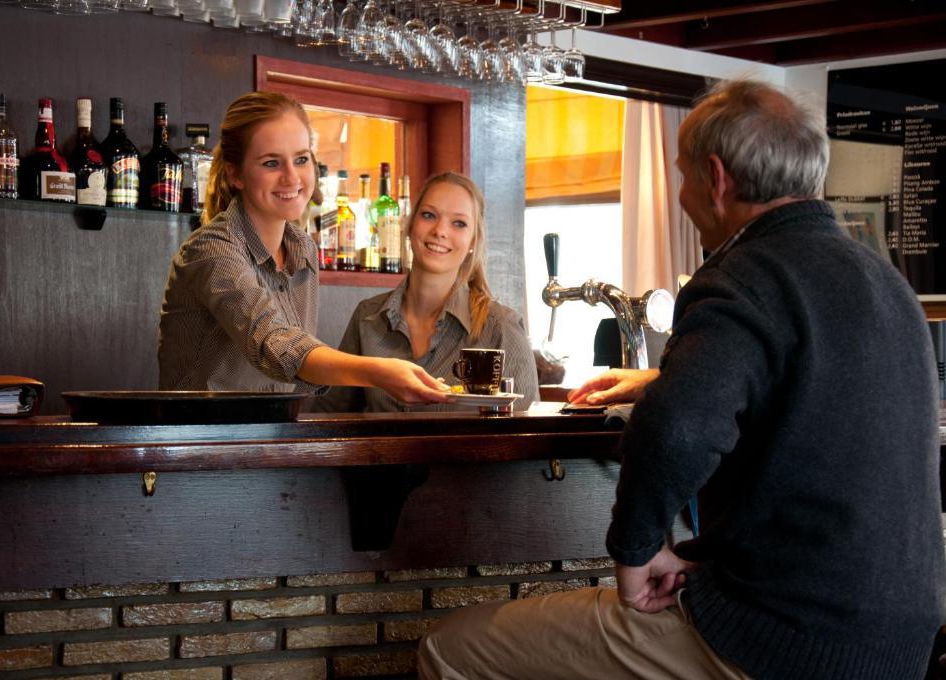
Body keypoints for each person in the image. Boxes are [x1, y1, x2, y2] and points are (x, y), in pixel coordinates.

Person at [418, 79, 946, 679]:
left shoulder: (743, 276)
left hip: (775, 637)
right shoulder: (888, 284)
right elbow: (816, 390)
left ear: (716, 178)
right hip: (899, 650)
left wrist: (636, 550)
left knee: (451, 649)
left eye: (684, 175)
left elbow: (677, 431)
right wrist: (657, 379)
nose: (683, 195)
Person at [157, 91, 449, 406]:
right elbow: (274, 343)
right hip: (200, 445)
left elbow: (293, 380)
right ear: (235, 174)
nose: (292, 177)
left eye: (301, 159)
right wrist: (376, 371)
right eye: (271, 163)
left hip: (275, 442)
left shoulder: (302, 248)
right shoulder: (211, 250)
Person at [310, 172, 539, 412]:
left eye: (459, 223)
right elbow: (331, 416)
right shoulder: (367, 318)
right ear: (409, 226)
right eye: (429, 215)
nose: (440, 230)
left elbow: (526, 436)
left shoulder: (501, 328)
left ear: (473, 241)